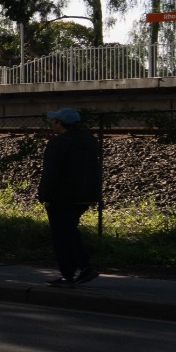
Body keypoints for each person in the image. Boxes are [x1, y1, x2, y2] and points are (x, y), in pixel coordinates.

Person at [36, 108, 103, 286]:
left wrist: (45, 196)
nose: (52, 124)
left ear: (59, 122)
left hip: (61, 197)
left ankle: (68, 275)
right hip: (85, 195)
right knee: (70, 231)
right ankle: (85, 267)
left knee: (61, 237)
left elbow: (52, 172)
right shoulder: (89, 140)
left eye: (54, 121)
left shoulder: (58, 143)